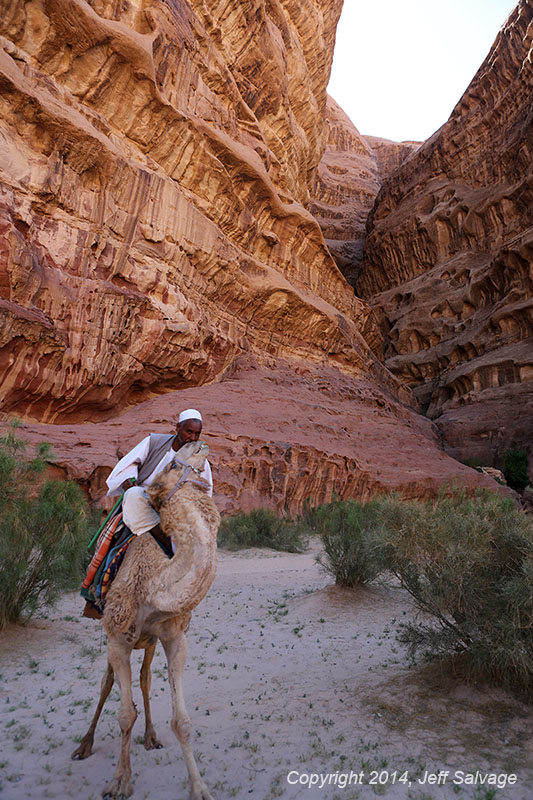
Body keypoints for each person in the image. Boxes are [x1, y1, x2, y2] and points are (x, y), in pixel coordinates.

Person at [105, 409, 213, 553]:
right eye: (189, 432)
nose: (193, 438)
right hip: (147, 496)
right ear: (178, 428)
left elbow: (206, 489)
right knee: (133, 494)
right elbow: (129, 463)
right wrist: (128, 479)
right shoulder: (154, 442)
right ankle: (169, 545)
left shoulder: (199, 458)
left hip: (177, 505)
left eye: (197, 434)